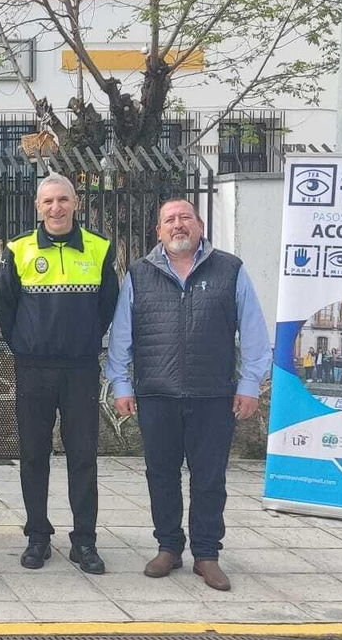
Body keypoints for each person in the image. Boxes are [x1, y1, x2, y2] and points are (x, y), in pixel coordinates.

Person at [106, 198, 271, 592]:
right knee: (160, 475)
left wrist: (250, 384)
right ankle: (168, 547)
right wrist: (122, 385)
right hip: (156, 394)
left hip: (213, 395)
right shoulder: (139, 273)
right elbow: (121, 336)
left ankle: (207, 554)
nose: (178, 225)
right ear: (158, 231)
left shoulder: (230, 270)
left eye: (185, 218)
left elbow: (253, 332)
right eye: (169, 220)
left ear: (199, 225)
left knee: (209, 478)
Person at [0, 173, 119, 573]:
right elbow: (4, 307)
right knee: (33, 454)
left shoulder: (100, 248)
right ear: (37, 207)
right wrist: (27, 347)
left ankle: (84, 540)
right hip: (33, 369)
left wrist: (82, 341)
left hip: (80, 369)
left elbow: (107, 307)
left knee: (83, 456)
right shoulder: (18, 249)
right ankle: (38, 536)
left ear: (76, 202)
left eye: (63, 199)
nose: (56, 208)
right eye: (48, 201)